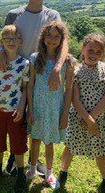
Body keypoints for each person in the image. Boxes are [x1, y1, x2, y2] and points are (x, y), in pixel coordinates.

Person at [0, 0, 68, 176]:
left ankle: (33, 161)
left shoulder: (52, 15)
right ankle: (16, 157)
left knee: (35, 119)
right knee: (17, 119)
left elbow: (64, 44)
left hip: (41, 75)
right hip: (18, 76)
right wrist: (1, 54)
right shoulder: (14, 14)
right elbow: (4, 39)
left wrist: (57, 68)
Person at [58, 33, 105, 193]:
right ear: (83, 48)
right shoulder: (75, 71)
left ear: (103, 53)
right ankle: (62, 173)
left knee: (101, 152)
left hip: (101, 118)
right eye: (90, 50)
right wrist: (87, 119)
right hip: (78, 117)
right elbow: (75, 99)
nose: (94, 55)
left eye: (99, 52)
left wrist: (92, 120)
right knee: (70, 148)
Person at [25, 21, 74, 190]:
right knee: (36, 139)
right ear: (43, 37)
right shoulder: (34, 58)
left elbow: (69, 90)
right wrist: (30, 109)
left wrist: (65, 114)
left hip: (55, 108)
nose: (52, 40)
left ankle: (49, 173)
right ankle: (32, 169)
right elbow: (30, 85)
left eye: (56, 36)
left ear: (62, 39)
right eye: (49, 35)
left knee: (49, 143)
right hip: (37, 107)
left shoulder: (67, 61)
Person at [0, 25, 29, 193]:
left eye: (14, 38)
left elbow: (24, 88)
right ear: (1, 41)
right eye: (7, 38)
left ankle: (19, 176)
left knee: (17, 142)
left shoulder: (24, 64)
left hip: (15, 111)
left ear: (20, 41)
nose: (11, 42)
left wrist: (21, 106)